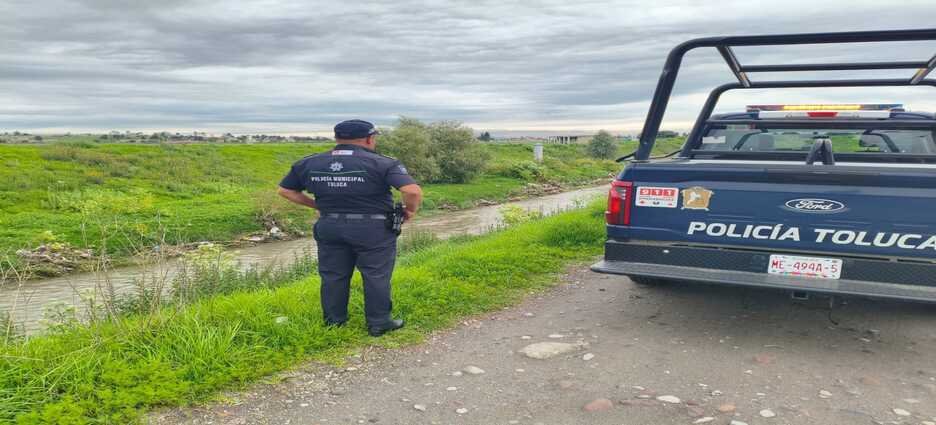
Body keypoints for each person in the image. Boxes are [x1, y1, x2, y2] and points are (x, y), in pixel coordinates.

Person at [277, 119, 423, 336]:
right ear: (369, 138)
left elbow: (285, 191)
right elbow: (412, 191)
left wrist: (317, 204)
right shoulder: (383, 163)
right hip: (372, 228)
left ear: (337, 138)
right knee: (375, 274)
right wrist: (409, 211)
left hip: (330, 225)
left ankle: (334, 323)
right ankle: (378, 322)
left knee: (333, 275)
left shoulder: (310, 162)